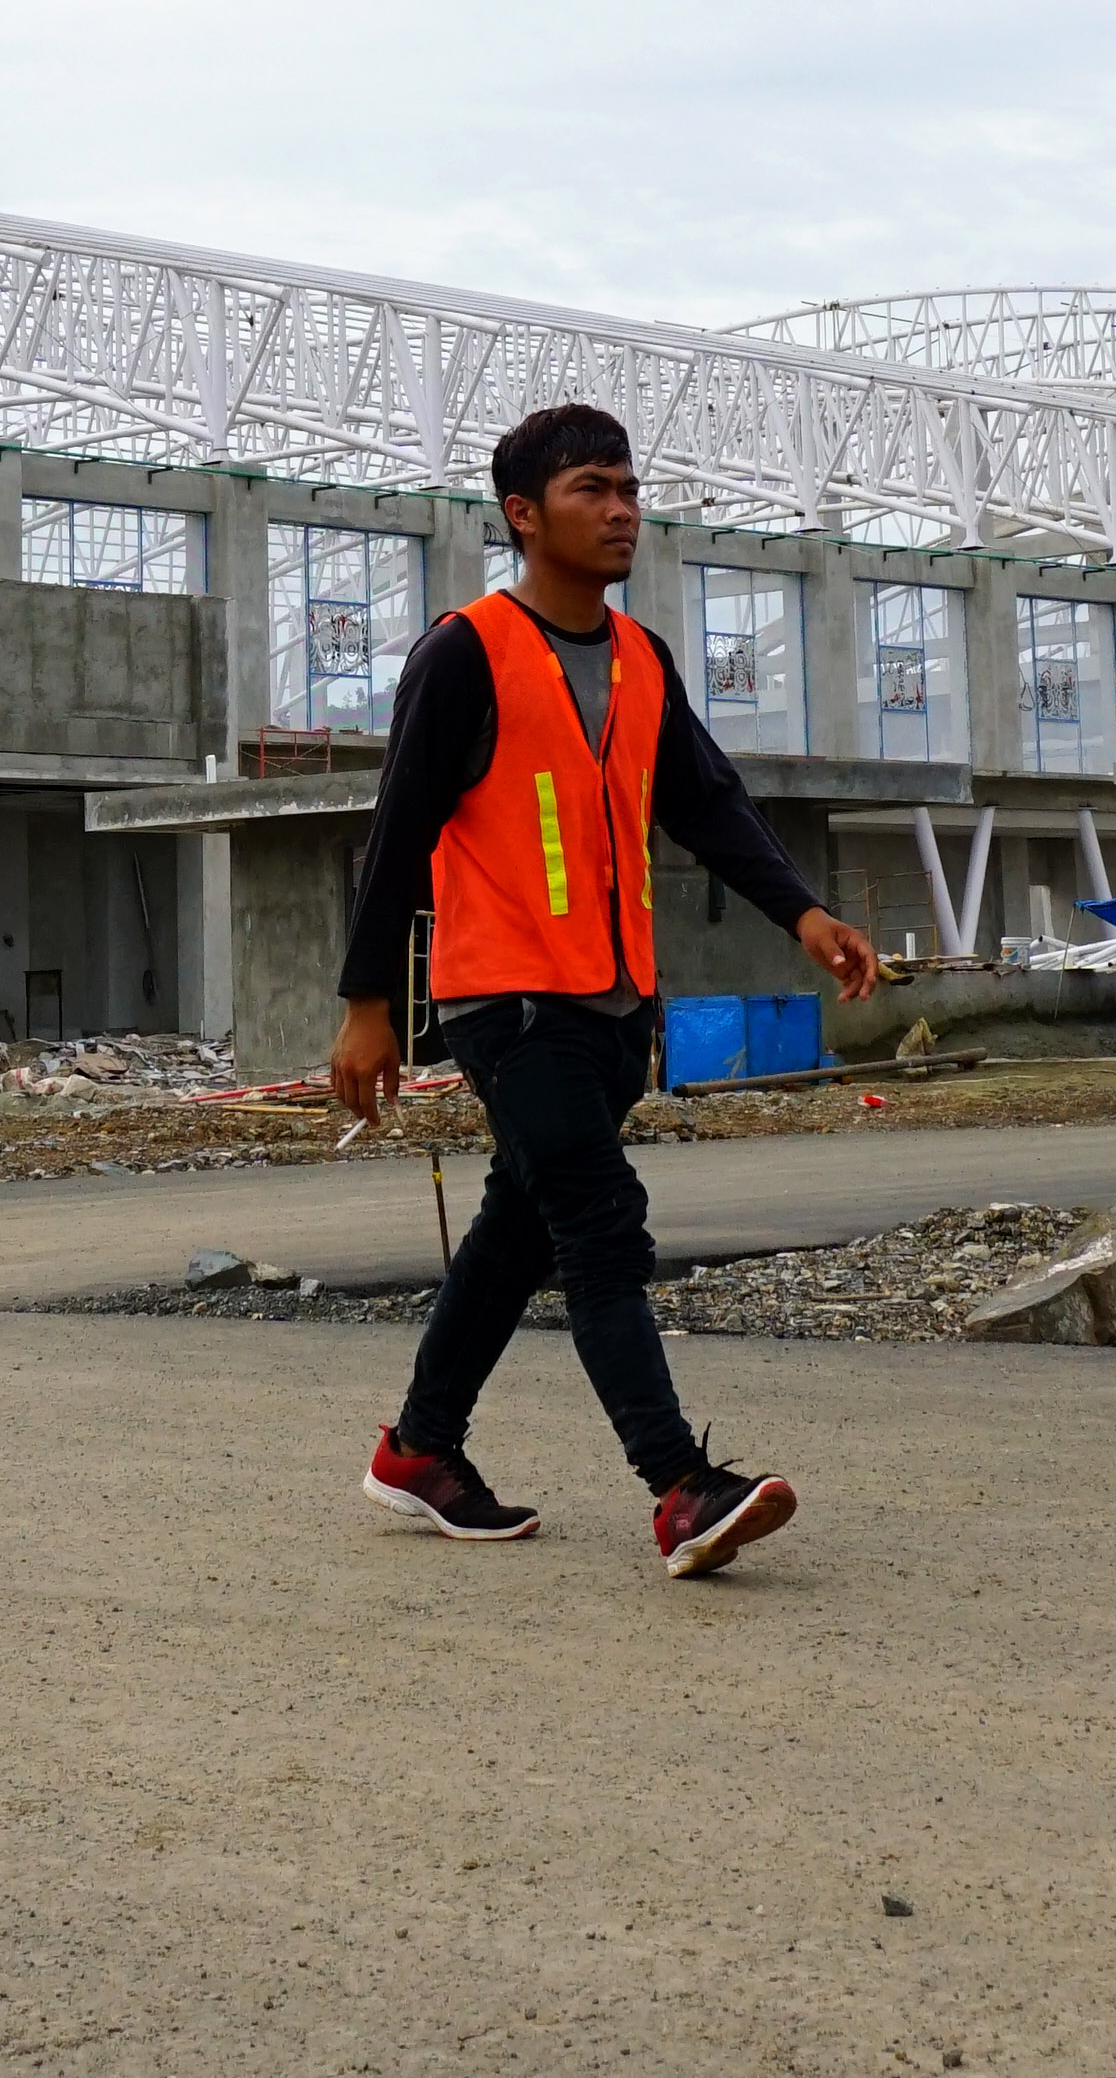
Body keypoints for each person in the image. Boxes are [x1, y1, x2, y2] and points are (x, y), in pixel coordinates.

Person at [330, 403, 883, 1580]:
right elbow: (395, 835)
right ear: (523, 515)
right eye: (591, 488)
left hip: (616, 1002)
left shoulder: (639, 660)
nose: (621, 507)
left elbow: (706, 801)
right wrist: (366, 1000)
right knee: (597, 1225)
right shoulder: (464, 650)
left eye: (628, 486)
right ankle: (679, 1485)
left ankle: (418, 1449)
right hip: (507, 1003)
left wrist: (802, 911)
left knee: (514, 1232)